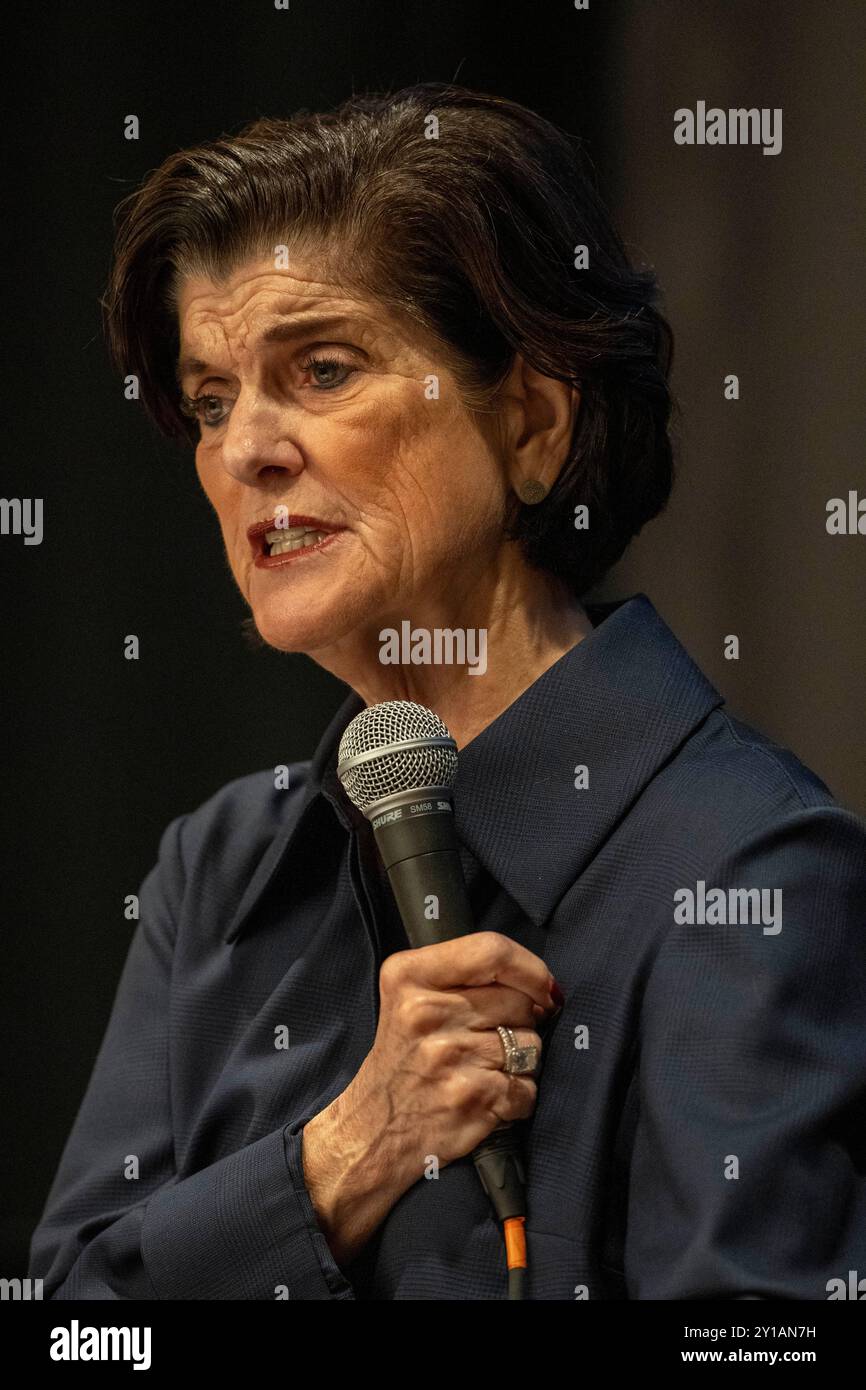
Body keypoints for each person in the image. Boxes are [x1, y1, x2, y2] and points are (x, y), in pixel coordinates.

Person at [29, 83, 866, 1300]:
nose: (245, 447)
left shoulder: (746, 875)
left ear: (530, 423)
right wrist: (334, 1161)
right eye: (212, 401)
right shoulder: (218, 874)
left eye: (319, 369)